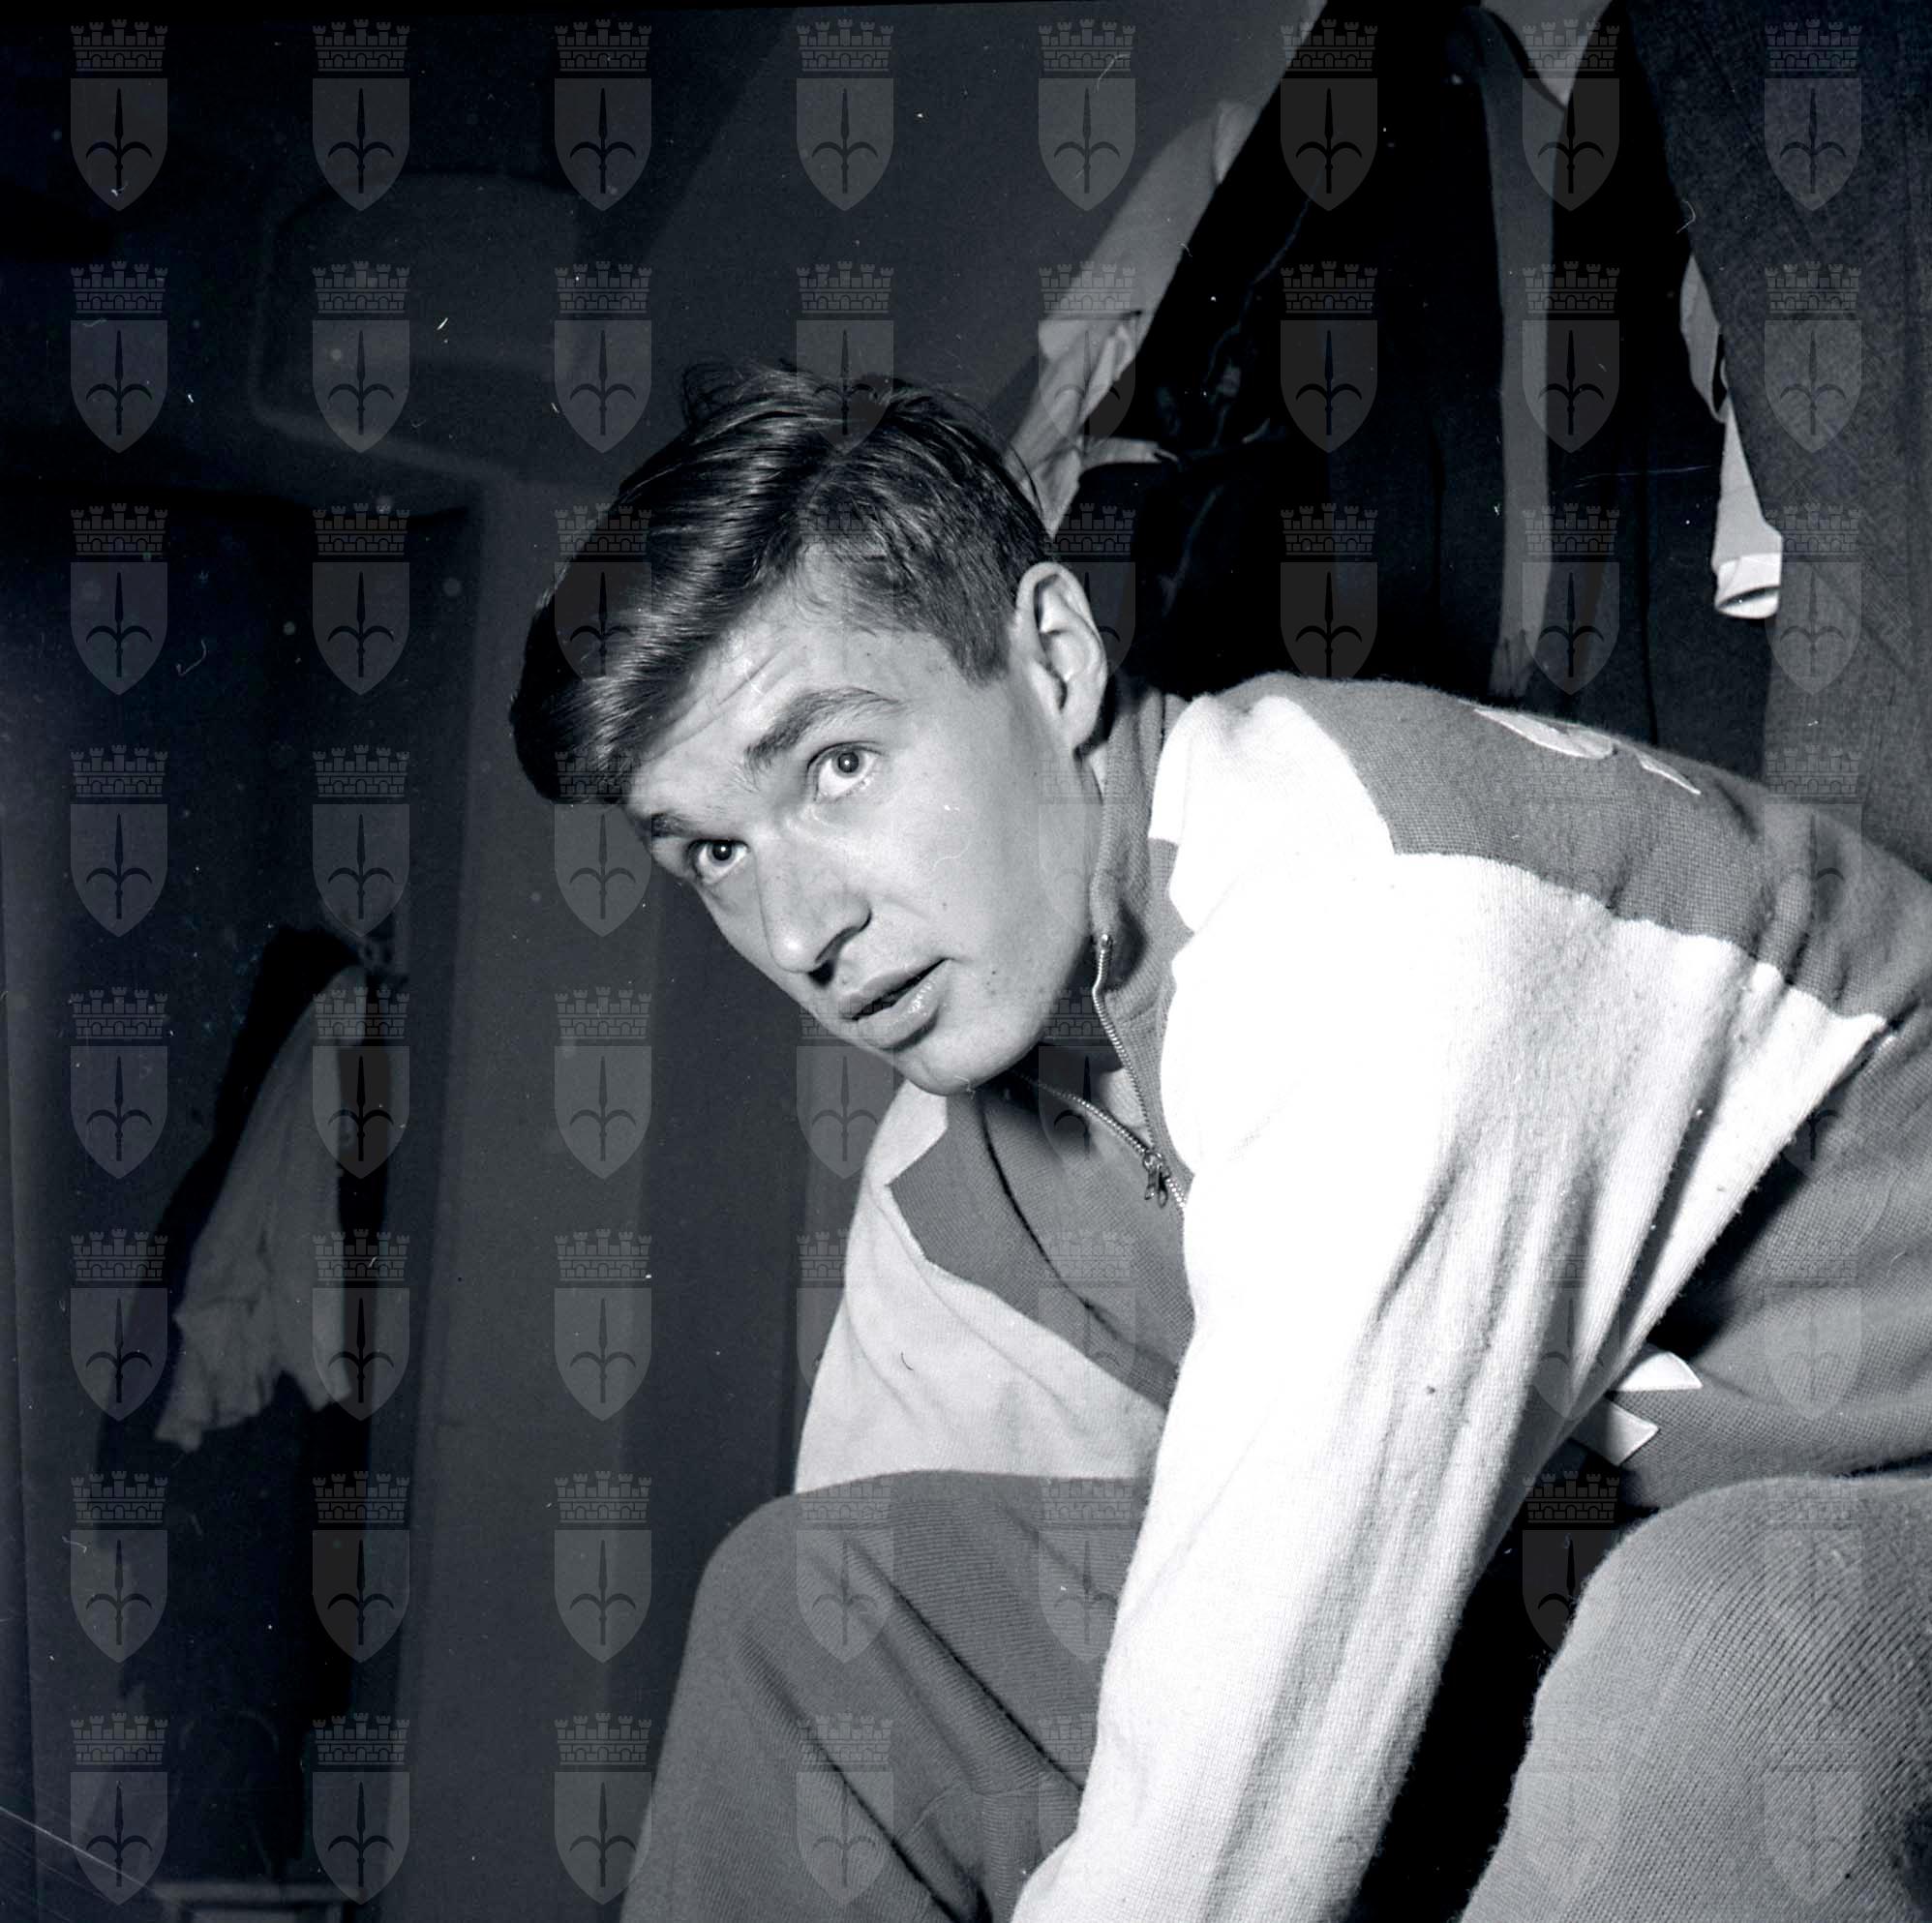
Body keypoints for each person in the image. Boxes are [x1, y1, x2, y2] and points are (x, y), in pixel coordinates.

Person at [510, 362, 1932, 1921]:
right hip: (1534, 1593)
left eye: (837, 766)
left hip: (1874, 1515)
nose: (800, 930)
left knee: (1716, 1639)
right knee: (813, 1615)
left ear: (1054, 660)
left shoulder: (1377, 919)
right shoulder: (953, 1176)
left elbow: (1219, 1841)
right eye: (717, 852)